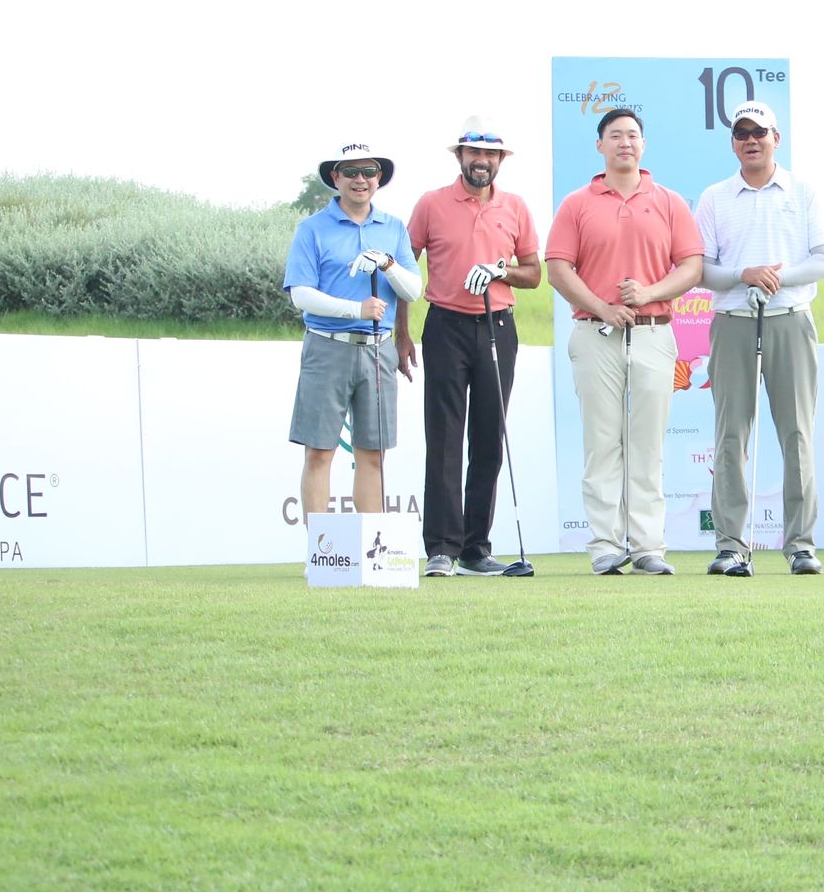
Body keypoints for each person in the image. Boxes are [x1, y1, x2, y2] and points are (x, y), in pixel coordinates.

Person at [545, 107, 704, 574]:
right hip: (596, 333)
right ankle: (605, 545)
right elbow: (558, 269)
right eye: (615, 136)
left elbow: (691, 266)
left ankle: (649, 545)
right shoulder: (577, 203)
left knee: (648, 443)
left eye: (633, 135)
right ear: (600, 145)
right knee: (601, 442)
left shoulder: (670, 201)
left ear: (644, 144)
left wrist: (650, 293)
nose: (625, 143)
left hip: (654, 333)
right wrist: (602, 306)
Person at [694, 100, 824, 575]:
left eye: (760, 131)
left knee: (796, 432)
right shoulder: (715, 196)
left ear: (777, 137)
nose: (751, 139)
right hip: (733, 322)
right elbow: (702, 271)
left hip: (790, 320)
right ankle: (732, 544)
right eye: (742, 132)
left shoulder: (802, 191)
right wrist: (744, 275)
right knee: (731, 435)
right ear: (732, 142)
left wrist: (777, 277)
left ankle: (800, 543)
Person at [406, 116, 543, 577]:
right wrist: (402, 332)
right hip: (445, 325)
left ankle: (475, 549)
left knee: (489, 437)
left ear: (500, 160)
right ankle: (441, 548)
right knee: (444, 437)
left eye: (490, 155)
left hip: (495, 325)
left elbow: (533, 273)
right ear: (459, 157)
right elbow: (406, 271)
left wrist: (500, 269)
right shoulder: (431, 204)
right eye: (473, 153)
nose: (481, 162)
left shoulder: (516, 207)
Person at [282, 141, 421, 519]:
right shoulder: (312, 229)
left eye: (368, 172)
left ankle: (371, 552)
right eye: (351, 172)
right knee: (319, 451)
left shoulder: (392, 228)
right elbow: (301, 295)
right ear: (336, 178)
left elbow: (413, 289)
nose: (360, 180)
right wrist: (355, 309)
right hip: (328, 346)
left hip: (378, 350)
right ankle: (320, 553)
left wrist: (387, 264)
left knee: (373, 454)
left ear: (379, 178)